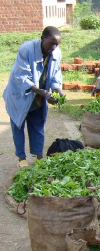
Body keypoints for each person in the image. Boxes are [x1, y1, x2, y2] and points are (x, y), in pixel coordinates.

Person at [3, 26, 63, 167]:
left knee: (37, 126)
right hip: (20, 96)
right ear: (42, 39)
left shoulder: (56, 53)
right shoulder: (27, 50)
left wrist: (57, 91)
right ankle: (21, 158)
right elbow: (22, 77)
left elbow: (56, 75)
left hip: (38, 99)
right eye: (51, 43)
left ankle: (39, 157)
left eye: (57, 44)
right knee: (18, 126)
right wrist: (44, 93)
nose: (54, 47)